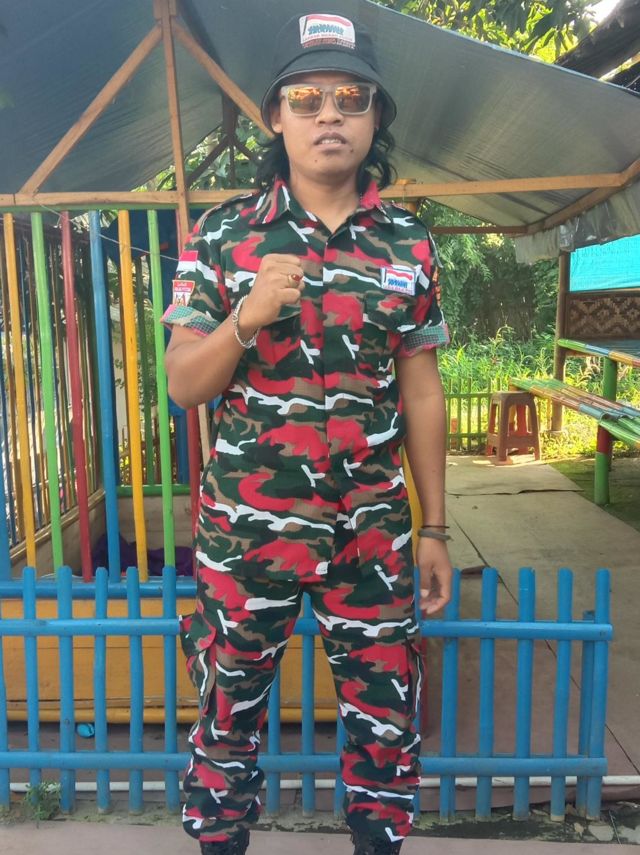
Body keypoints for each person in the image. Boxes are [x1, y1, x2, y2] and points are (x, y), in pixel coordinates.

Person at [162, 12, 452, 855]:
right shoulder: (223, 236)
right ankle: (220, 840)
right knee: (227, 707)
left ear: (376, 117)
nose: (330, 114)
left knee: (387, 713)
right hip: (248, 533)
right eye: (308, 98)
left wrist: (436, 527)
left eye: (352, 98)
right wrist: (247, 316)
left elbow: (423, 393)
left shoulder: (409, 244)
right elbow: (184, 383)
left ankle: (378, 839)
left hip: (372, 531)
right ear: (275, 116)